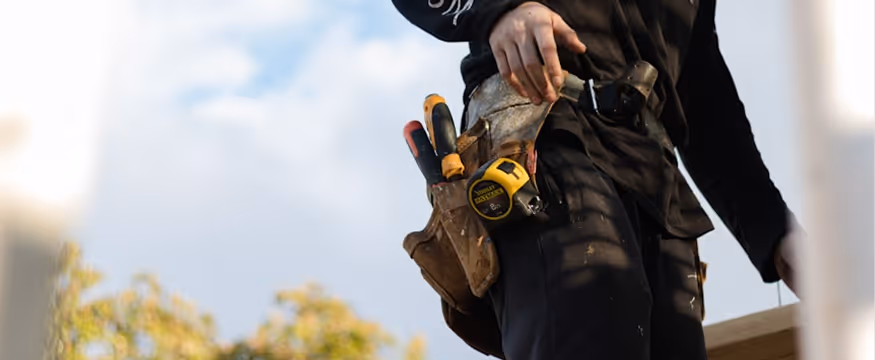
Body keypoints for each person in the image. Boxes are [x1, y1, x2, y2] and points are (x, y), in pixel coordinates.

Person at [392, 1, 801, 359]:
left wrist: (775, 230)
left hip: (658, 192)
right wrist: (497, 9)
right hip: (544, 135)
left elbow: (701, 93)